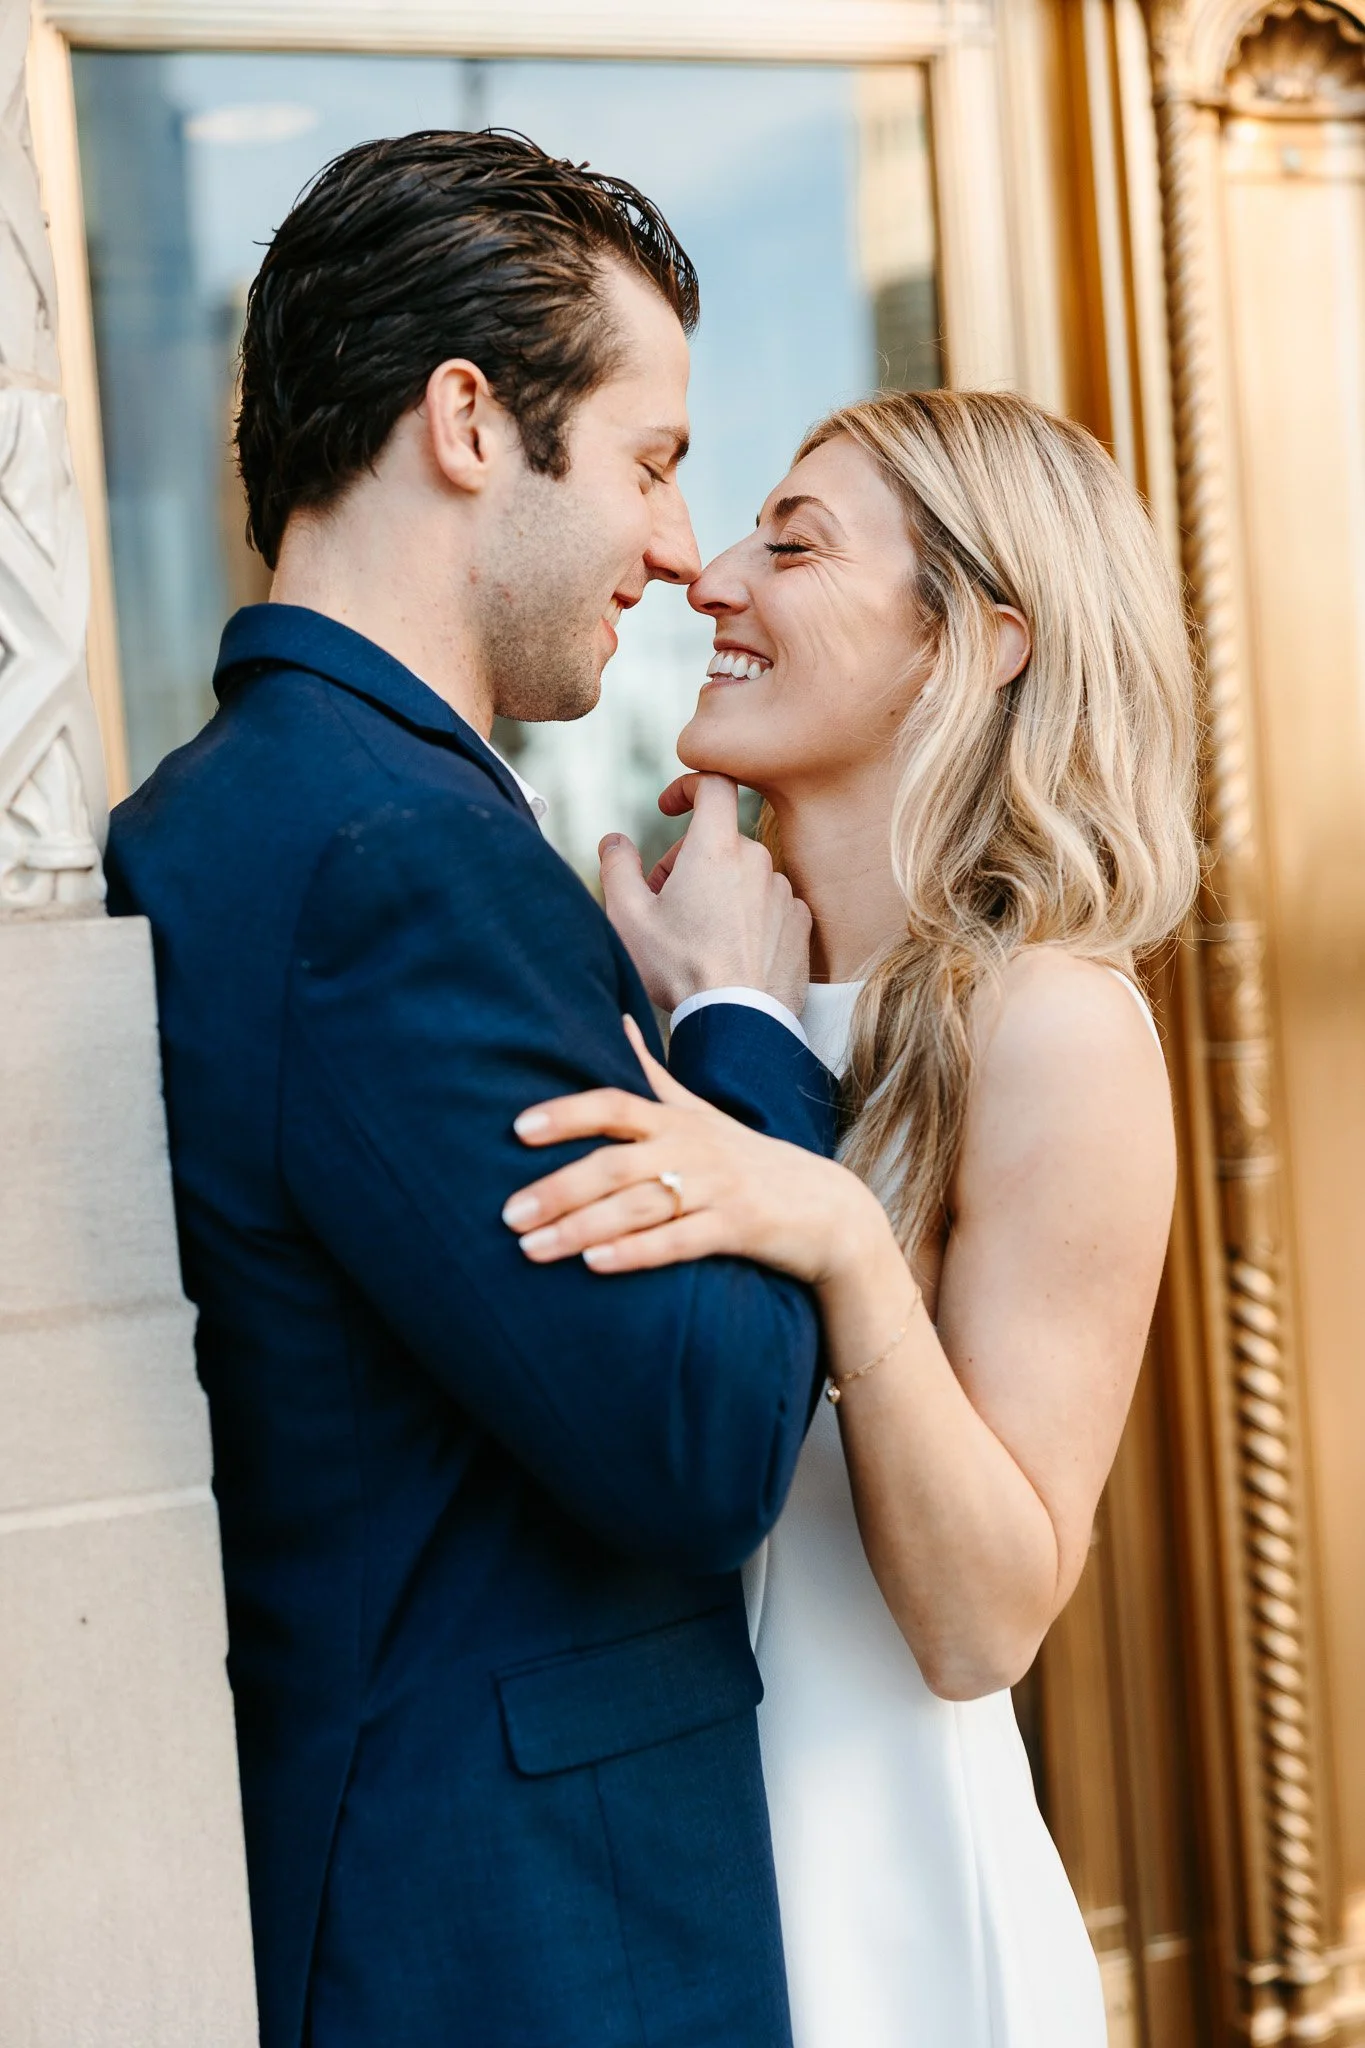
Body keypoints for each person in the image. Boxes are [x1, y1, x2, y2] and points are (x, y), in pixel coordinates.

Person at [104, 131, 838, 2048]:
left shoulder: (225, 818)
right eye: (651, 464)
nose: (681, 551)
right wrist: (740, 1028)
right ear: (466, 421)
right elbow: (695, 1442)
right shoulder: (390, 862)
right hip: (524, 1954)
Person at [503, 388, 1200, 2047]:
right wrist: (703, 1015)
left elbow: (981, 1625)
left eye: (791, 544)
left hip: (882, 1924)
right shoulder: (674, 992)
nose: (711, 578)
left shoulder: (1051, 1026)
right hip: (637, 1897)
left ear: (977, 641)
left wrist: (836, 1240)